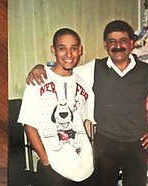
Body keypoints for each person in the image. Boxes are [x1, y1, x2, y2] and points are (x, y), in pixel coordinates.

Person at [26, 20, 148, 186]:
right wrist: (40, 68)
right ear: (105, 45)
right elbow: (63, 71)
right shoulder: (93, 68)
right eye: (112, 41)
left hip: (136, 144)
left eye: (123, 40)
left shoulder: (147, 72)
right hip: (105, 144)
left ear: (132, 43)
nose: (118, 45)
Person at [18, 28, 95, 186]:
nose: (69, 54)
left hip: (85, 169)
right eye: (62, 48)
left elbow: (86, 123)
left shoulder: (84, 83)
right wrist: (46, 162)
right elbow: (29, 125)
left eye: (73, 48)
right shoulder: (38, 80)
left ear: (80, 50)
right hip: (54, 170)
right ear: (53, 50)